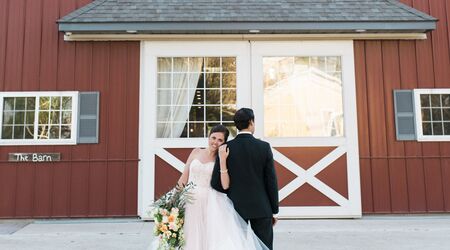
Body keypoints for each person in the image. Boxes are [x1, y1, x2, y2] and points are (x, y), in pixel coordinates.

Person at [175, 124, 268, 250]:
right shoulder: (196, 151)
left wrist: (223, 160)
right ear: (208, 137)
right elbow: (184, 177)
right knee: (191, 234)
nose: (215, 142)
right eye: (213, 138)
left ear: (224, 143)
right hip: (191, 201)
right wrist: (174, 198)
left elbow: (225, 185)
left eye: (220, 140)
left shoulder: (222, 158)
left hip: (211, 202)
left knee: (210, 237)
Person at [211, 108, 279, 250]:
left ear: (237, 125)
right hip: (261, 208)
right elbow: (271, 182)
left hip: (235, 209)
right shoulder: (264, 147)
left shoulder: (225, 148)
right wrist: (273, 210)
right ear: (251, 122)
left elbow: (216, 184)